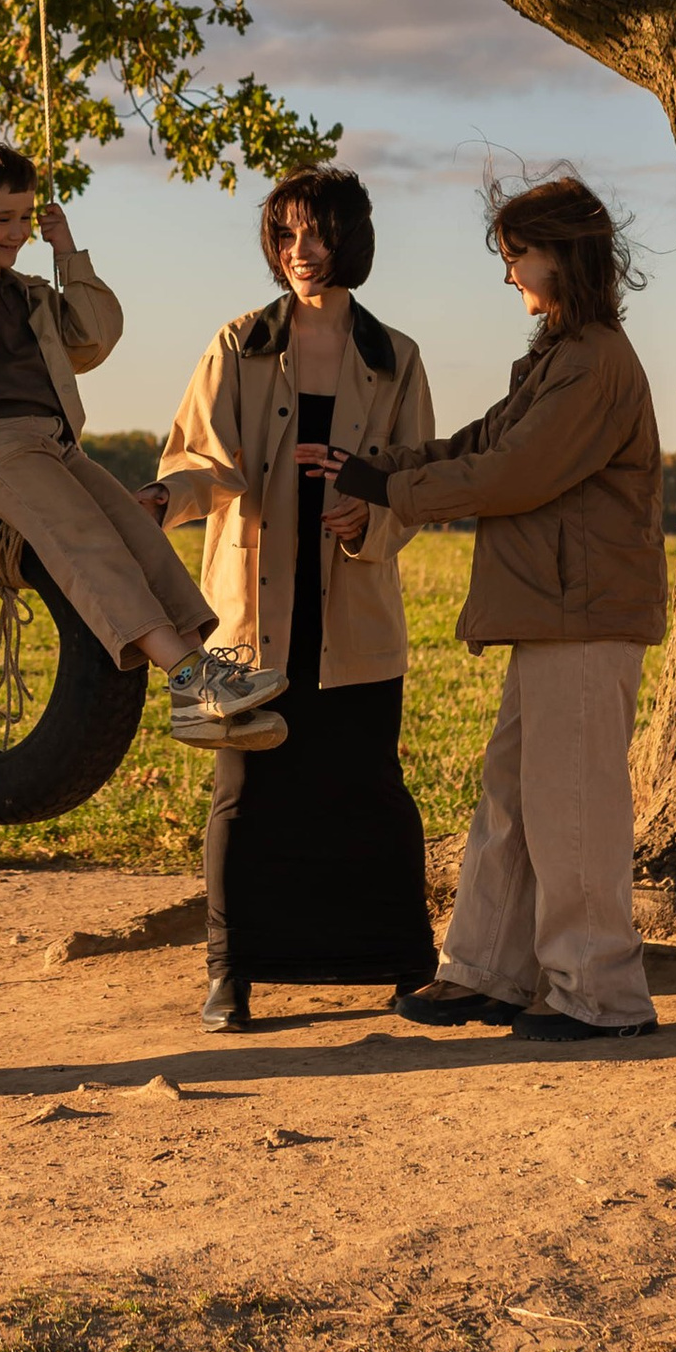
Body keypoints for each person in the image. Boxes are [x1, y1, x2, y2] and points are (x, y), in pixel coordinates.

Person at [313, 173, 668, 1045]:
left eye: (518, 256)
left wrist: (391, 490)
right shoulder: (560, 356)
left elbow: (514, 473)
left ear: (563, 256)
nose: (509, 274)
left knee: (571, 810)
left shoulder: (595, 364)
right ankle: (486, 975)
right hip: (552, 613)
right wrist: (376, 470)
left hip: (584, 617)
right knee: (513, 799)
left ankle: (601, 996)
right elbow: (481, 443)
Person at [155, 163, 439, 1030]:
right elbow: (200, 460)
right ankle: (230, 973)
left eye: (316, 232)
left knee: (371, 790)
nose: (300, 250)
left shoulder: (396, 358)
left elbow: (415, 484)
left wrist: (365, 516)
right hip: (248, 619)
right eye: (285, 234)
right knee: (243, 794)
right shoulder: (237, 343)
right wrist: (164, 499)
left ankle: (406, 966)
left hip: (355, 615)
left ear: (350, 238)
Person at [0, 136, 286, 749]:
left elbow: (95, 338)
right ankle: (187, 673)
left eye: (25, 217)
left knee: (137, 534)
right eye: (0, 219)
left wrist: (68, 254)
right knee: (87, 542)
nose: (16, 232)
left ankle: (197, 692)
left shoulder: (29, 292)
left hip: (57, 444)